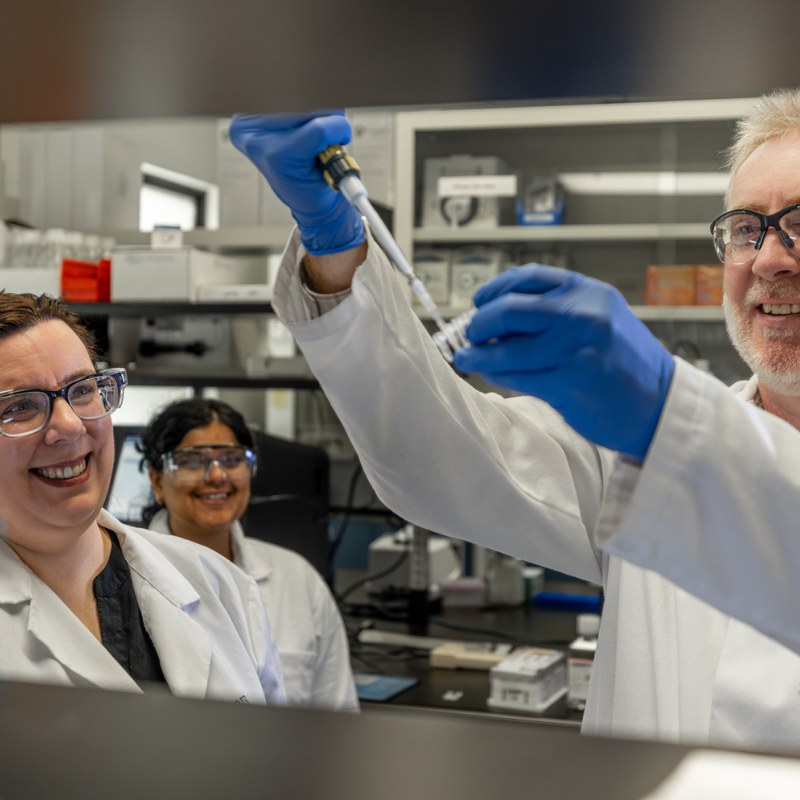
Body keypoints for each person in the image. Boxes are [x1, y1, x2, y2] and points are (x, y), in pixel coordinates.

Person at [228, 91, 800, 753]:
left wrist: (664, 411)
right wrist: (335, 244)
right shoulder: (635, 455)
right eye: (746, 229)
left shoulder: (663, 429)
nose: (768, 259)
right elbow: (438, 456)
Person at [0, 293, 284, 705]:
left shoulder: (219, 585)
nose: (70, 425)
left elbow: (279, 757)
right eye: (21, 406)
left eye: (82, 390)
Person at [140, 398, 359, 712]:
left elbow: (338, 716)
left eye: (232, 459)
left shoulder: (298, 579)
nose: (217, 476)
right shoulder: (123, 578)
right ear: (158, 481)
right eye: (192, 461)